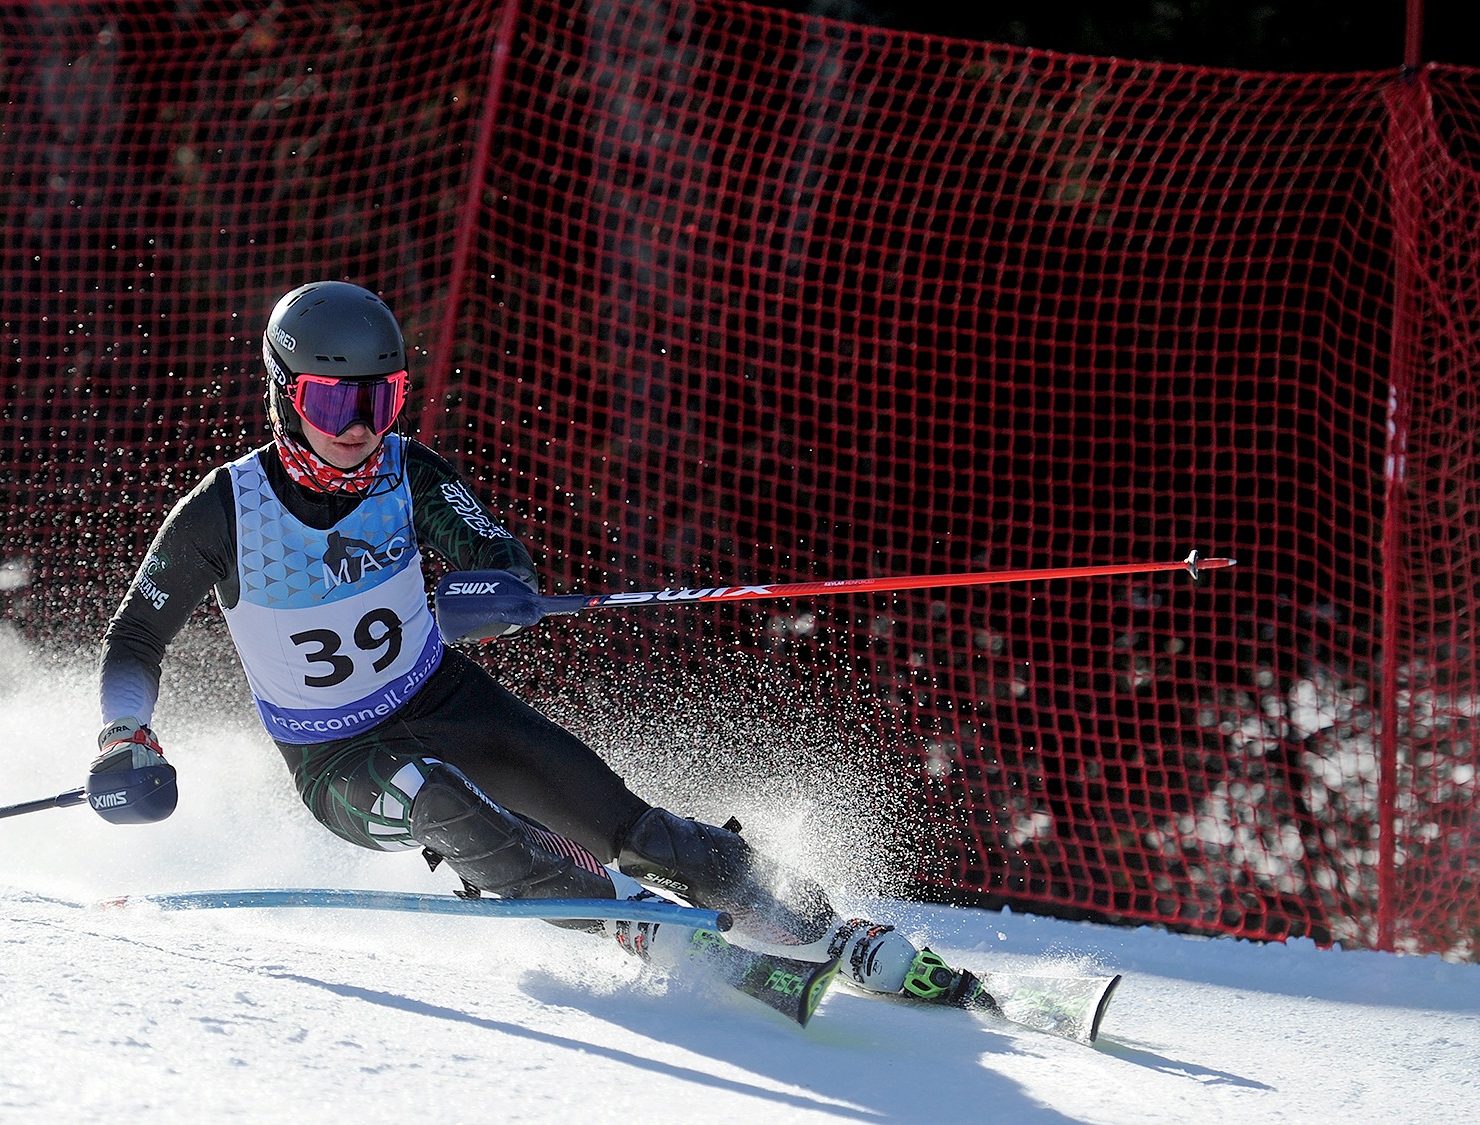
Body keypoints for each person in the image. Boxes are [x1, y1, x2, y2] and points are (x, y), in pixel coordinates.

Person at [88, 280, 959, 999]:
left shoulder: (406, 470)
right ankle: (639, 925)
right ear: (283, 392)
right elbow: (135, 636)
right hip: (335, 759)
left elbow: (492, 548)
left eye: (380, 397)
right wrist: (124, 735)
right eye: (332, 397)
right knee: (440, 800)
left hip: (443, 698)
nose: (358, 426)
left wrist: (497, 587)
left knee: (629, 823)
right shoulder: (224, 511)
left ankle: (833, 929)